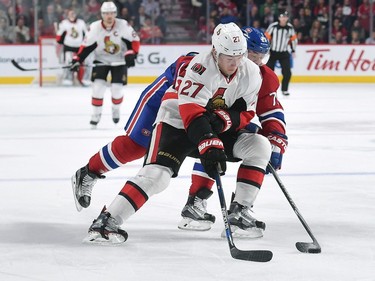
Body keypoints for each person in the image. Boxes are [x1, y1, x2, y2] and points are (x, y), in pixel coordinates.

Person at [80, 22, 268, 244]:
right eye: (229, 56)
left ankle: (239, 214)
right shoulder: (199, 67)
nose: (235, 62)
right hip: (176, 121)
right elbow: (191, 113)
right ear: (215, 51)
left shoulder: (252, 71)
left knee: (259, 145)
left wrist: (223, 122)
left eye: (240, 55)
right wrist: (208, 141)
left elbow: (246, 111)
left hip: (212, 122)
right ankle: (106, 222)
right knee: (157, 176)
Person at [177, 27, 287, 237]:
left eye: (261, 57)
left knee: (258, 146)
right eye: (251, 56)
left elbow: (271, 109)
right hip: (201, 123)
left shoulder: (264, 76)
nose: (256, 62)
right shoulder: (210, 67)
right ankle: (196, 201)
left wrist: (277, 137)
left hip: (230, 124)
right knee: (211, 143)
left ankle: (239, 211)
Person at [69, 1, 140, 127]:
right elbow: (86, 46)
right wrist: (77, 59)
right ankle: (96, 114)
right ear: (102, 14)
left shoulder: (123, 25)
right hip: (101, 60)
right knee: (97, 88)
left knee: (116, 90)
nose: (109, 16)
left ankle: (116, 108)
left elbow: (135, 40)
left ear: (115, 14)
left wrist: (132, 53)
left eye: (112, 13)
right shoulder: (95, 27)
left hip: (119, 61)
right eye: (106, 13)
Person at [265, 10, 297, 96]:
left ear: (287, 18)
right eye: (282, 17)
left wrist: (293, 50)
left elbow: (293, 40)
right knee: (269, 72)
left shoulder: (290, 27)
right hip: (273, 52)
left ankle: (284, 89)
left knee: (287, 72)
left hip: (284, 53)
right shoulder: (273, 26)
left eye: (285, 17)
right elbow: (266, 38)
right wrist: (266, 50)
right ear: (279, 18)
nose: (283, 19)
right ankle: (269, 90)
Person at [56, 10, 88, 86]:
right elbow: (59, 35)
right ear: (68, 15)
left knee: (83, 63)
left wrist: (86, 43)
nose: (72, 15)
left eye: (73, 13)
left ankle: (84, 79)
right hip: (68, 46)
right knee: (68, 62)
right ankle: (68, 78)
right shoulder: (64, 23)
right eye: (71, 14)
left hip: (80, 47)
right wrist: (59, 40)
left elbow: (86, 34)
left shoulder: (81, 22)